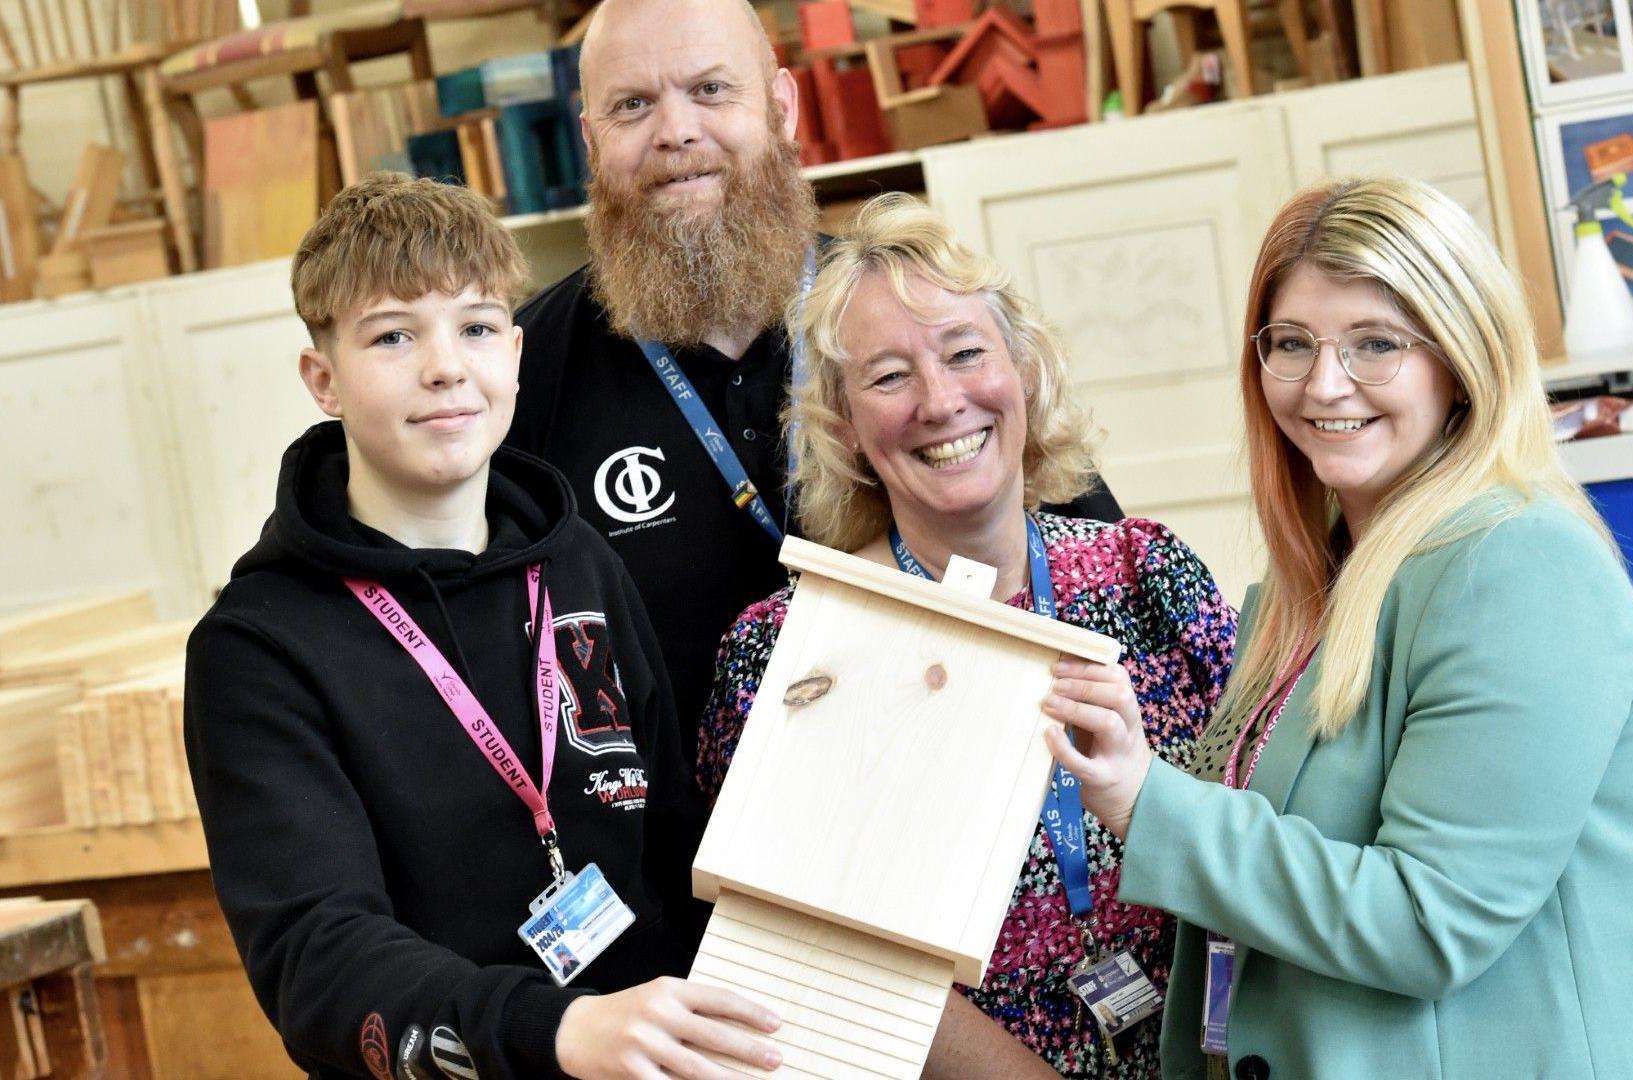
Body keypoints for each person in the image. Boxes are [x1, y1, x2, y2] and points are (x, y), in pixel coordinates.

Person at [1043, 177, 1633, 1079]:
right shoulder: (1310, 587)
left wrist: (1148, 803)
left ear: (1461, 360)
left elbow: (1428, 920)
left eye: (1375, 344)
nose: (1325, 384)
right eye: (1291, 344)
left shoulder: (1520, 566)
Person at [184, 174, 784, 1080]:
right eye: (393, 335)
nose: (445, 367)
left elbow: (676, 847)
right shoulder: (258, 649)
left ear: (513, 353)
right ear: (323, 380)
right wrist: (555, 1031)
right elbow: (321, 959)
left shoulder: (581, 563)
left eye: (473, 327)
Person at [696, 193, 1238, 1079]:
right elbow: (803, 961)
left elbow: (1256, 825)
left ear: (1024, 371)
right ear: (844, 425)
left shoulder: (1149, 575)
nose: (942, 401)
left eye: (964, 352)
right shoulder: (792, 654)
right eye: (889, 376)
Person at [506, 0, 1120, 758]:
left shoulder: (914, 315)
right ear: (591, 141)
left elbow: (1091, 559)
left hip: (968, 812)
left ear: (782, 108)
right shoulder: (518, 374)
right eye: (633, 105)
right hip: (670, 866)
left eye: (709, 90)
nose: (675, 132)